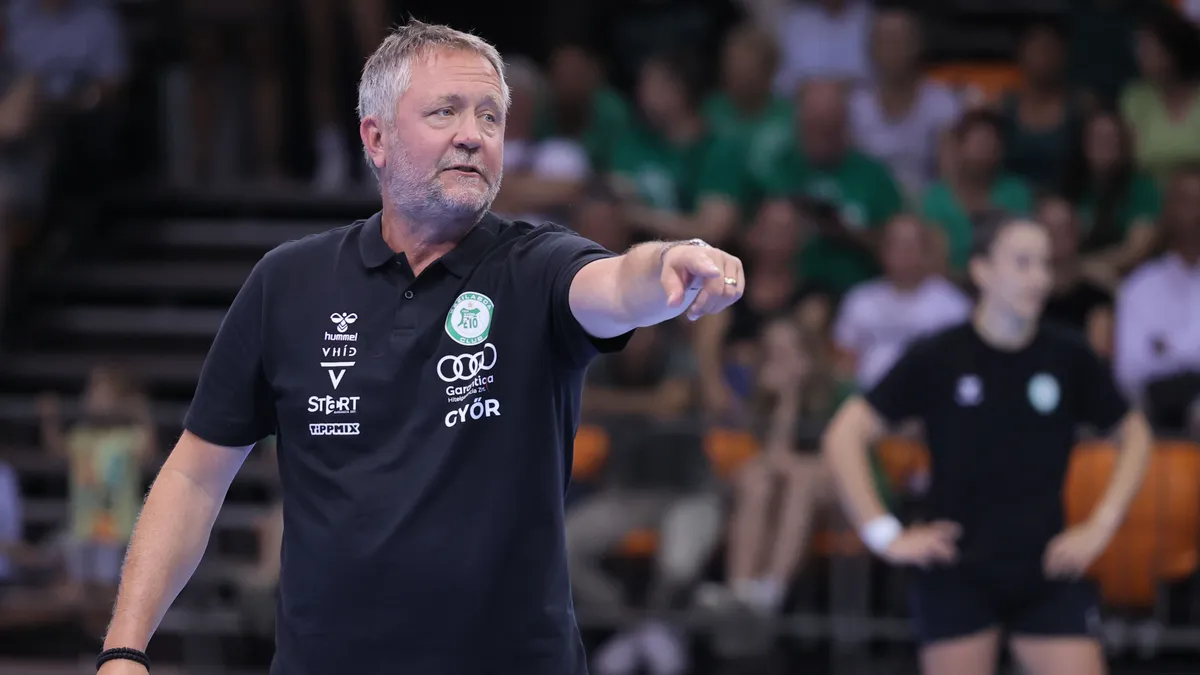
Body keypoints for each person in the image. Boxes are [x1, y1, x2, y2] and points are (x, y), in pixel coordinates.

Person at [95, 20, 744, 675]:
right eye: (445, 111)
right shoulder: (288, 283)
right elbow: (193, 476)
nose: (473, 134)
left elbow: (618, 283)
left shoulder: (537, 266)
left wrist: (671, 260)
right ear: (376, 138)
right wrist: (124, 648)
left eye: (490, 117)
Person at [822, 214, 1153, 675]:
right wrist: (884, 534)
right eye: (1022, 263)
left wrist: (1101, 524)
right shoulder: (940, 354)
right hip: (957, 568)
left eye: (1044, 264)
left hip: (1044, 567)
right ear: (981, 270)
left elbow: (1135, 433)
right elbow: (844, 433)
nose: (1038, 278)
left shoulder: (1068, 354)